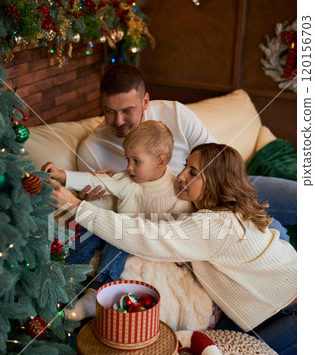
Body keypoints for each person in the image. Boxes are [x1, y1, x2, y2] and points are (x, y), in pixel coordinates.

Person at [47, 143, 297, 355]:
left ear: (214, 180)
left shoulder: (216, 225)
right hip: (272, 303)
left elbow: (147, 237)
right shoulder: (224, 213)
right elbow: (153, 217)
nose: (181, 175)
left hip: (296, 314)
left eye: (193, 172)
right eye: (185, 166)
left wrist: (78, 207)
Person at [76, 63, 297, 235]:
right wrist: (88, 198)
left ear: (145, 101)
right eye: (109, 111)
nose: (118, 121)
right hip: (183, 217)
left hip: (218, 190)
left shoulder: (175, 114)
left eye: (127, 110)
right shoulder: (92, 150)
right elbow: (106, 212)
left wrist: (234, 201)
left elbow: (217, 158)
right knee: (274, 228)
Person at [42, 120, 193, 320]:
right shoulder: (127, 179)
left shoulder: (176, 194)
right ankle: (61, 277)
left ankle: (96, 290)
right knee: (88, 231)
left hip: (138, 240)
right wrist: (62, 175)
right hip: (110, 227)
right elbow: (96, 181)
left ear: (160, 161)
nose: (128, 167)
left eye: (136, 161)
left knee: (120, 240)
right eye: (127, 159)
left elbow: (177, 233)